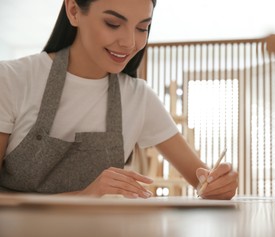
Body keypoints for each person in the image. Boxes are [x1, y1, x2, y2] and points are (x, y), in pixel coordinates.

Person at [0, 0, 238, 200]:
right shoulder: (11, 80)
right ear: (73, 11)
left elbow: (202, 180)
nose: (129, 43)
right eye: (113, 24)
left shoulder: (138, 97)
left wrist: (218, 184)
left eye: (142, 28)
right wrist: (86, 196)